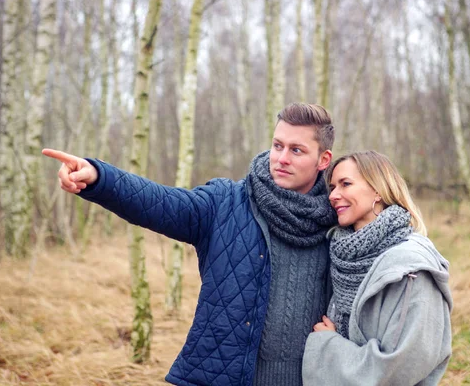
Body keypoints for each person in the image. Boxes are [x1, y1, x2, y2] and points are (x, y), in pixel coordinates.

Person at [43, 103, 337, 386]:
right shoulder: (226, 203)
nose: (282, 158)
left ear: (323, 160)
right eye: (277, 145)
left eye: (296, 150)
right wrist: (99, 177)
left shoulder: (338, 221)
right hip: (223, 377)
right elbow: (160, 202)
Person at [302, 151, 452, 386]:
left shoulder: (411, 268)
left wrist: (328, 346)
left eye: (346, 184)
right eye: (332, 187)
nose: (333, 195)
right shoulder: (341, 256)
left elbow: (398, 369)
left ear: (378, 190)